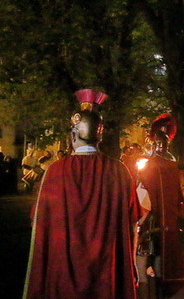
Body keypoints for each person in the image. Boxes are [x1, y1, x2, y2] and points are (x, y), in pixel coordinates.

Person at [24, 89, 139, 299]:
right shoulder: (119, 170)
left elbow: (38, 219)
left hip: (64, 272)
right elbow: (133, 219)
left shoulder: (55, 171)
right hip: (106, 271)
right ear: (100, 134)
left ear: (73, 134)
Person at [135, 114, 184, 298]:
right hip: (157, 219)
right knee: (154, 259)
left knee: (148, 261)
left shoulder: (158, 164)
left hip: (153, 219)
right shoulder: (160, 163)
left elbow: (169, 190)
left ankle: (152, 293)